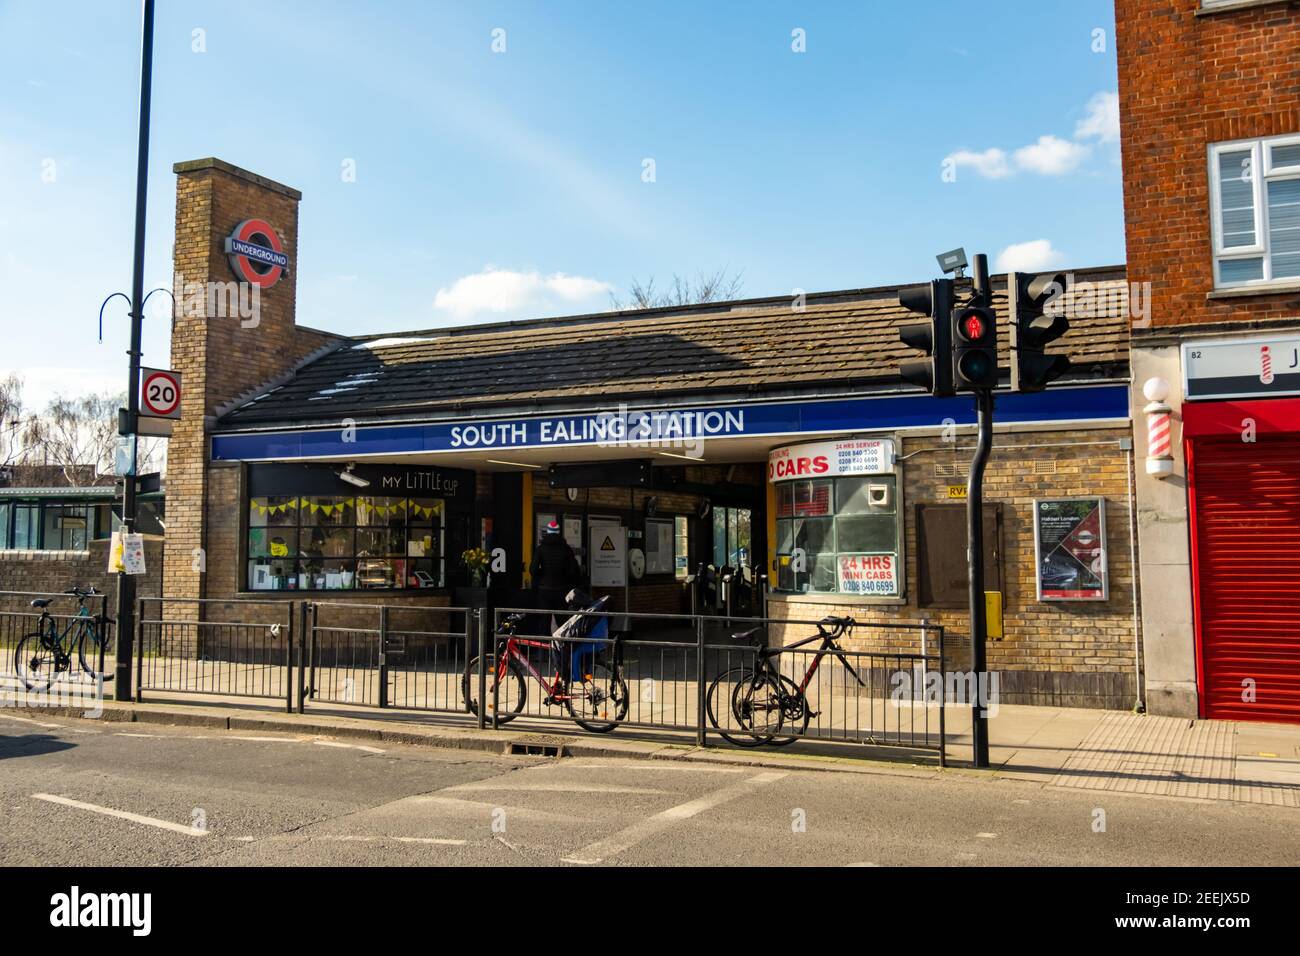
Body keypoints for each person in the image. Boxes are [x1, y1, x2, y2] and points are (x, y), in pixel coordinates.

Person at [529, 520, 581, 623]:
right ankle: (562, 639)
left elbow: (533, 570)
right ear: (558, 532)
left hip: (544, 590)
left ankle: (544, 639)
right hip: (562, 590)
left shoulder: (541, 549)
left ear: (548, 532)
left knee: (544, 622)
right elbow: (573, 570)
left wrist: (542, 574)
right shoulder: (566, 549)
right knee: (562, 622)